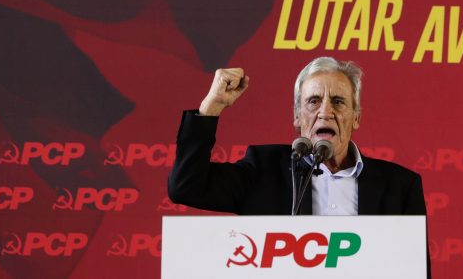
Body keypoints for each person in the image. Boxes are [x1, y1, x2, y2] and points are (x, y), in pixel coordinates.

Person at [168, 57, 428, 216]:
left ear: (356, 117)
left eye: (338, 102)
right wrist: (212, 106)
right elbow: (186, 187)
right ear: (297, 117)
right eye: (313, 101)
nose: (325, 112)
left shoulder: (400, 187)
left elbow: (416, 270)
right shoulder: (263, 171)